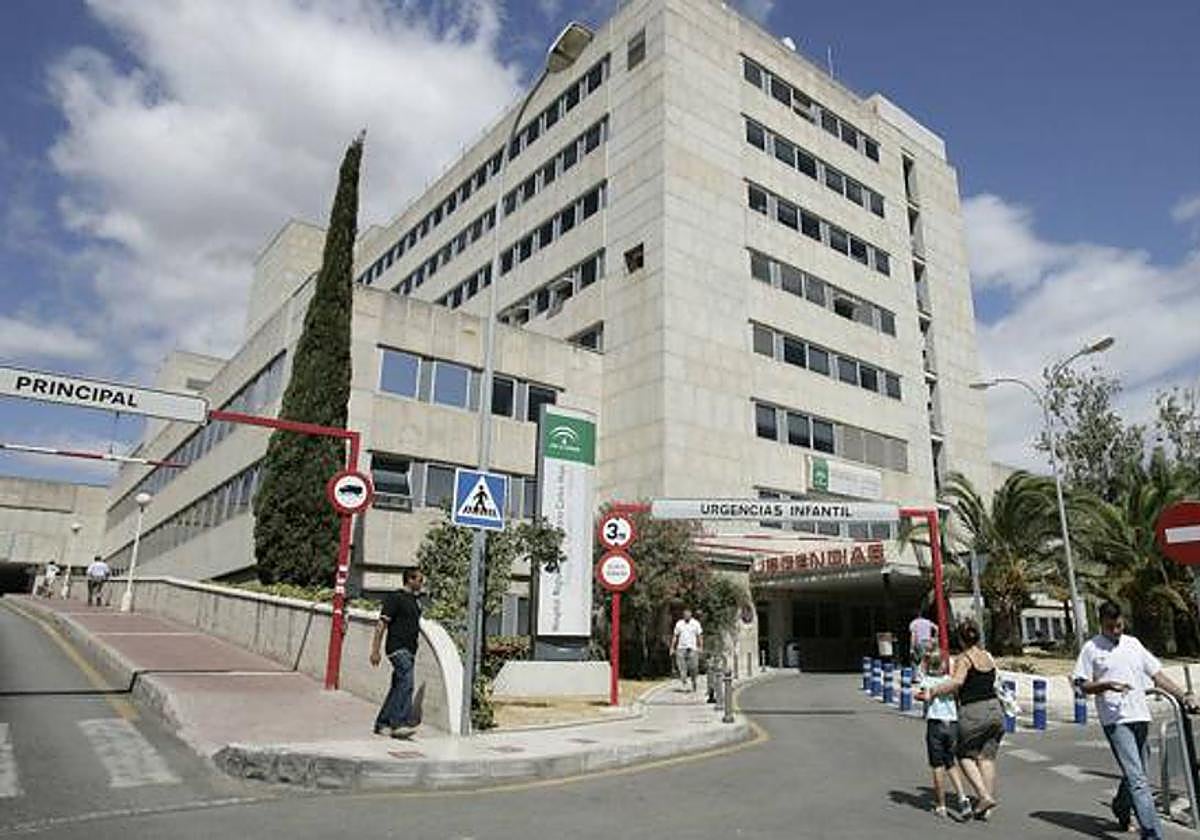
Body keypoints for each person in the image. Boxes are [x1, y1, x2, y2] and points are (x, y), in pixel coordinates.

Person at [1073, 600, 1197, 838]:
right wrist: (1106, 685)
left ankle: (1120, 806)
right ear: (1101, 624)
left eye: (1119, 625)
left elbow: (1157, 675)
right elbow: (1082, 685)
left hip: (1139, 714)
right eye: (1110, 627)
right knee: (1139, 780)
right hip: (1115, 720)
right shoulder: (1091, 648)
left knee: (1136, 771)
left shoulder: (1133, 644)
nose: (1116, 631)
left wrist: (1184, 696)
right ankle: (1152, 835)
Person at [928, 618, 1003, 819]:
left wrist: (934, 691)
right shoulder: (988, 656)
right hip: (995, 709)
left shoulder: (964, 659)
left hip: (973, 711)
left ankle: (984, 796)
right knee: (987, 758)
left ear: (960, 640)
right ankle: (986, 806)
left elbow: (957, 683)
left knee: (964, 755)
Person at [915, 648, 971, 821]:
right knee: (950, 762)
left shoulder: (927, 680)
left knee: (937, 765)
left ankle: (941, 805)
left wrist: (923, 663)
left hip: (936, 724)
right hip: (952, 724)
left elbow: (922, 693)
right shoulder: (949, 681)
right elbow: (956, 694)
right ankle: (962, 797)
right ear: (945, 664)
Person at [370, 568, 425, 738]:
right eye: (419, 580)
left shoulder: (415, 601)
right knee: (407, 684)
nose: (422, 584)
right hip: (397, 648)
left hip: (410, 650)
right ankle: (399, 724)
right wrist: (375, 650)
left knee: (397, 687)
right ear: (410, 579)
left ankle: (382, 723)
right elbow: (381, 625)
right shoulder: (395, 598)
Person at [670, 608, 703, 692]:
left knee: (694, 667)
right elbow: (675, 636)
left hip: (692, 649)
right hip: (681, 649)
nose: (686, 616)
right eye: (685, 615)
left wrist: (700, 647)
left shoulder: (696, 624)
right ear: (683, 615)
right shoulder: (679, 624)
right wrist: (672, 648)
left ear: (691, 615)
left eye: (688, 615)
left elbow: (699, 636)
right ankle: (684, 681)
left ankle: (694, 681)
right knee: (681, 667)